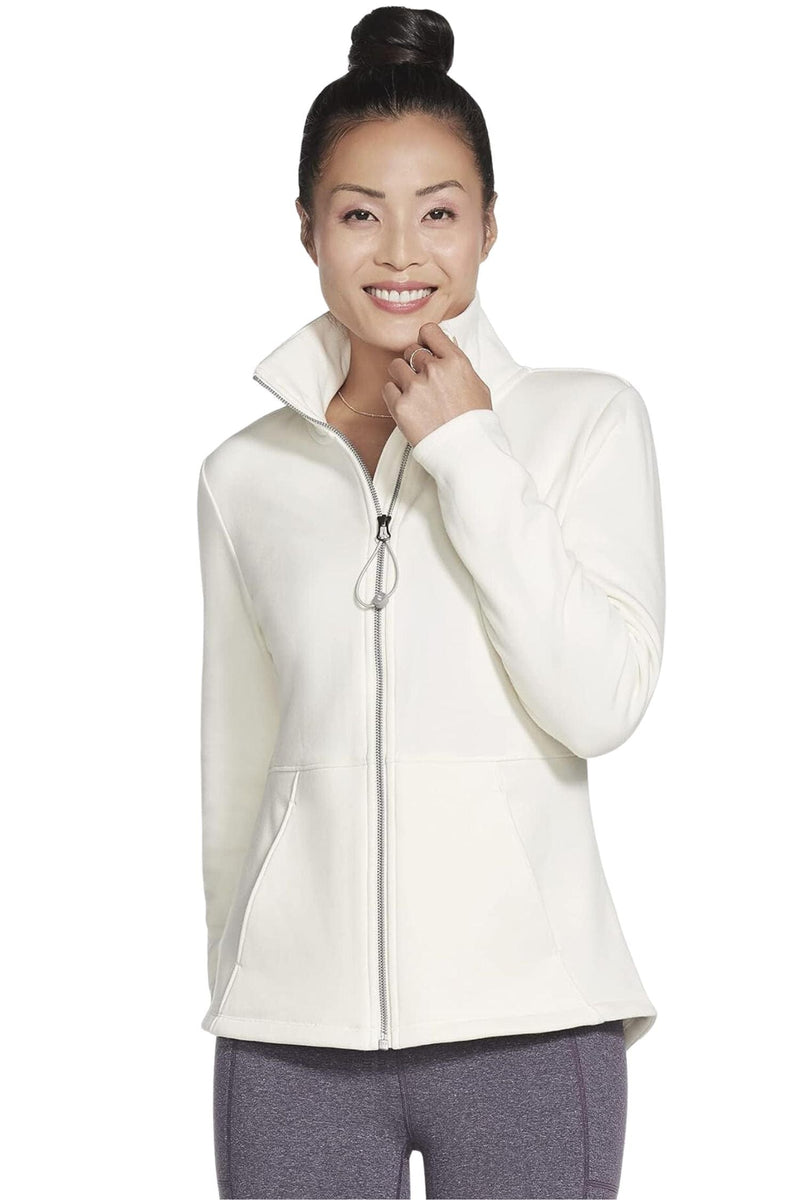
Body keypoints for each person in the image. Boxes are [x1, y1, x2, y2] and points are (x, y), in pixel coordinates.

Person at [197, 7, 666, 1198]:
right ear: (307, 227)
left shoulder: (583, 423)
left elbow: (599, 700)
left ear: (489, 225)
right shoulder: (243, 474)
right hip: (291, 1039)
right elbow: (237, 763)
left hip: (529, 1022)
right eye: (360, 213)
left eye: (439, 212)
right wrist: (244, 974)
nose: (399, 251)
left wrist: (466, 453)